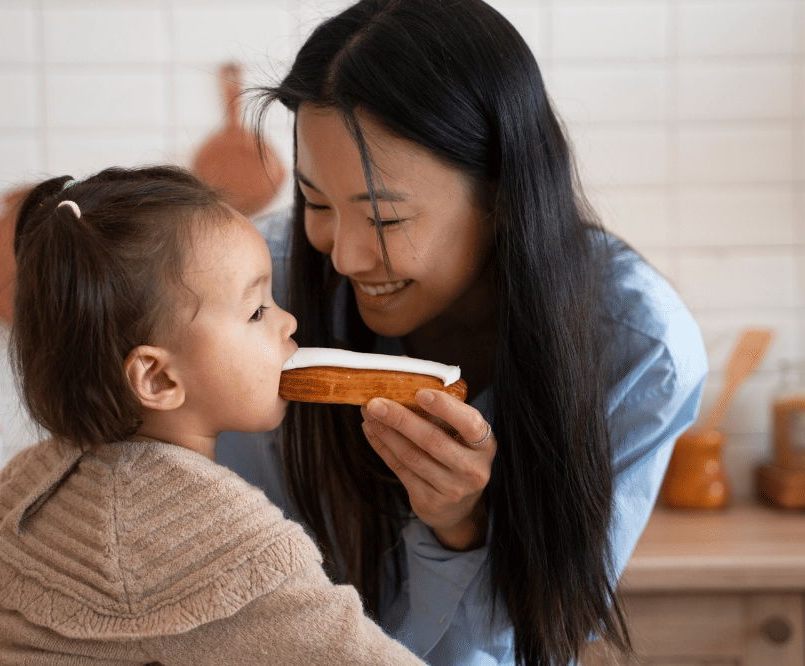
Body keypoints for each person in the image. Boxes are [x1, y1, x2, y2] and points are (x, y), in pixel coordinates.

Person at [216, 1, 709, 664]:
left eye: (384, 219)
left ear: (501, 195)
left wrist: (459, 528)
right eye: (317, 202)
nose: (345, 257)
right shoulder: (257, 292)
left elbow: (543, 632)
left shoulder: (641, 351)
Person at [0, 165, 428, 666]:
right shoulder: (218, 543)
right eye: (256, 311)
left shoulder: (29, 474)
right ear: (158, 379)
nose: (288, 322)